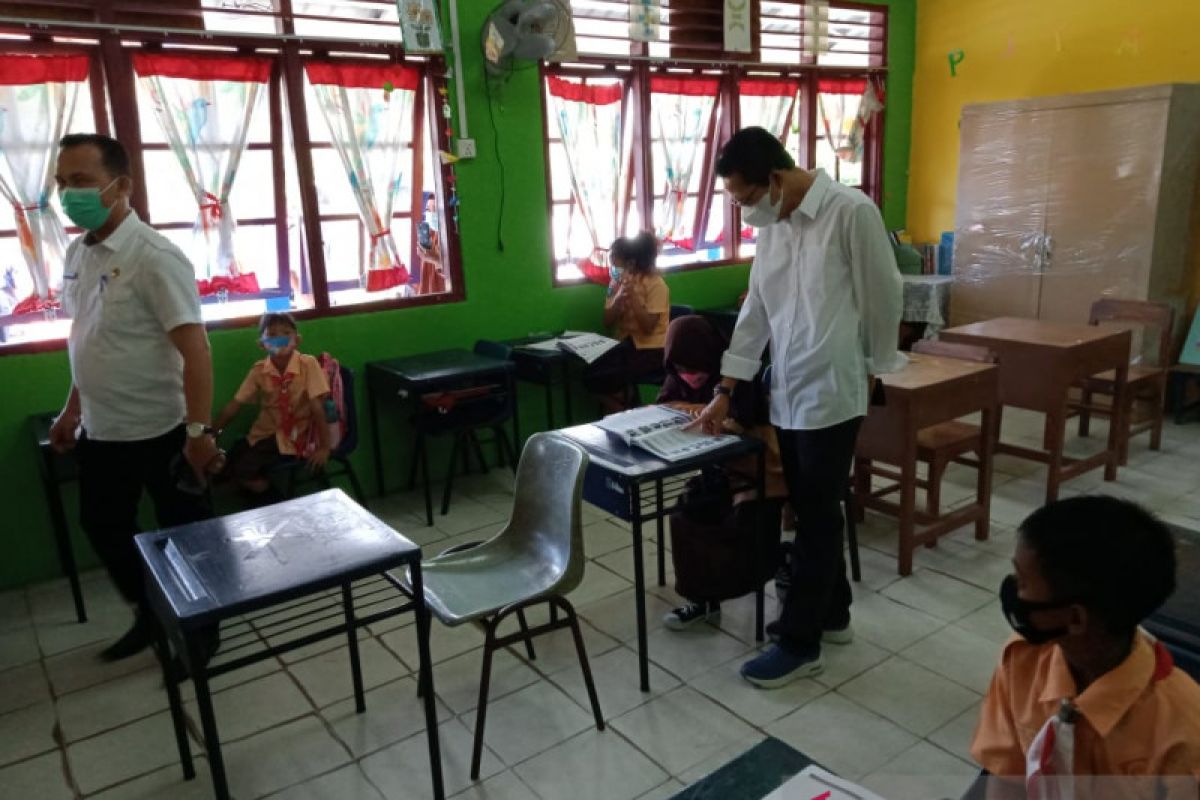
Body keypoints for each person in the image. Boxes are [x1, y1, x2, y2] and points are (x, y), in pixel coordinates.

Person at [690, 126, 905, 688]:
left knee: (811, 515)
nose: (744, 210)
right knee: (814, 508)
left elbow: (885, 294)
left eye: (745, 197)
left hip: (834, 390)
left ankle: (799, 641)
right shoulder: (775, 228)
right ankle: (833, 614)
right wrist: (726, 388)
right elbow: (756, 310)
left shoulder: (850, 212)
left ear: (777, 180)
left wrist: (875, 364)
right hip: (787, 387)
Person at [48, 133, 221, 662]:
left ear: (120, 185)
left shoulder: (155, 257)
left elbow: (197, 352)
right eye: (62, 182)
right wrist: (71, 410)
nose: (67, 193)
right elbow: (89, 335)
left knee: (189, 537)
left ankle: (202, 633)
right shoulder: (79, 251)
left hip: (165, 428)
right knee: (103, 524)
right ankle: (150, 614)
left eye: (80, 181)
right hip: (103, 429)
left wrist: (198, 432)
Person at [971, 496, 1200, 798]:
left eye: (1024, 582)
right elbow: (1006, 775)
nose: (1015, 590)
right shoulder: (1022, 662)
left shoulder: (1182, 725)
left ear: (1076, 618)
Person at [656, 314, 787, 630]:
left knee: (743, 520)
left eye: (698, 370)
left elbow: (746, 421)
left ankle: (781, 565)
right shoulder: (678, 373)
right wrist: (700, 413)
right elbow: (662, 405)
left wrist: (708, 413)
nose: (690, 377)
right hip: (720, 469)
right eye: (682, 371)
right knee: (687, 510)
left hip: (766, 470)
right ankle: (702, 600)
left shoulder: (737, 375)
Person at [214, 312, 332, 503]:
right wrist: (211, 433)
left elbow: (317, 408)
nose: (280, 339)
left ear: (297, 340)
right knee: (221, 469)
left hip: (292, 435)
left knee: (242, 470)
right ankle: (263, 495)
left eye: (286, 333)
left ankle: (278, 504)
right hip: (261, 433)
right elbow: (234, 405)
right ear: (262, 344)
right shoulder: (259, 370)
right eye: (272, 335)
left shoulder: (308, 364)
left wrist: (325, 447)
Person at [583, 232, 670, 413]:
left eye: (616, 260)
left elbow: (648, 328)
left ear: (631, 262)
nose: (613, 265)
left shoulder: (656, 284)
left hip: (652, 349)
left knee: (606, 376)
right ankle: (626, 408)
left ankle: (626, 411)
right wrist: (617, 302)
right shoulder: (615, 283)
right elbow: (607, 322)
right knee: (589, 374)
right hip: (626, 345)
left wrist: (633, 298)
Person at [415, 191, 446, 296]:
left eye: (436, 210)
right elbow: (425, 275)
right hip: (428, 293)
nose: (431, 213)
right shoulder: (430, 234)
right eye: (428, 209)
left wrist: (436, 260)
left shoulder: (451, 238)